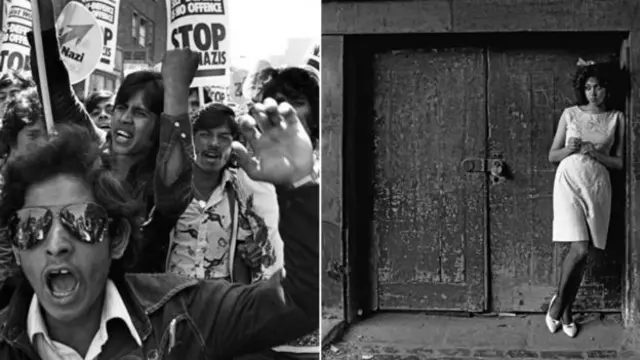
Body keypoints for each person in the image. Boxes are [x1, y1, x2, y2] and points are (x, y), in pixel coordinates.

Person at [0, 89, 318, 358]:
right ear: (15, 247)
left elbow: (299, 301)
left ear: (118, 238)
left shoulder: (185, 317)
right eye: (32, 226)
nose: (56, 244)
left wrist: (299, 186)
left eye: (82, 221)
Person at [19, 0, 195, 274]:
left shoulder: (158, 183)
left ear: (160, 126)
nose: (124, 118)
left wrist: (176, 89)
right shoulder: (90, 147)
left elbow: (174, 194)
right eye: (121, 108)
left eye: (140, 113)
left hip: (132, 307)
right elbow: (53, 83)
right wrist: (42, 8)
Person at [546, 60, 625, 338]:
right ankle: (557, 308)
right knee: (578, 249)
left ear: (608, 89)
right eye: (589, 87)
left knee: (584, 253)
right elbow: (552, 156)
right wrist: (569, 149)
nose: (593, 93)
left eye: (599, 87)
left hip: (597, 184)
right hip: (568, 181)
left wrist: (596, 152)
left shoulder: (617, 117)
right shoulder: (570, 114)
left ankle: (566, 311)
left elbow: (619, 162)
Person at [167, 103, 283, 285]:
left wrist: (252, 250)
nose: (214, 144)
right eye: (205, 135)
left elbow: (254, 243)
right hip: (171, 296)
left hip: (222, 301)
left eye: (223, 137)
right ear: (191, 139)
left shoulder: (242, 190)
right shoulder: (170, 185)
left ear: (234, 145)